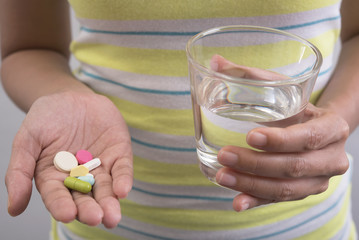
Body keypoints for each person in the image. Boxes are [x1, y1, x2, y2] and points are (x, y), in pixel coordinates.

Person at [1, 0, 358, 239]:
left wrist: (330, 124)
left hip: (305, 226)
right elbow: (27, 46)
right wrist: (66, 97)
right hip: (106, 222)